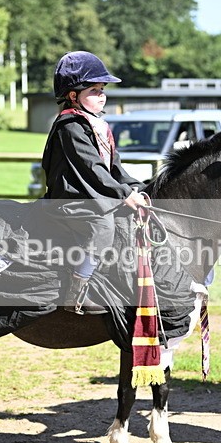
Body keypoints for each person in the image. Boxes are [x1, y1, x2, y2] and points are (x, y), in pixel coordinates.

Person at [41, 51, 145, 314]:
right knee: (103, 224)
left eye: (102, 90)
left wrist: (138, 188)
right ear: (73, 96)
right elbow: (93, 169)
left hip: (91, 195)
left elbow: (115, 168)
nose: (102, 95)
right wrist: (123, 194)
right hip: (70, 199)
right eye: (94, 90)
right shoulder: (70, 126)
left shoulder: (97, 125)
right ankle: (76, 291)